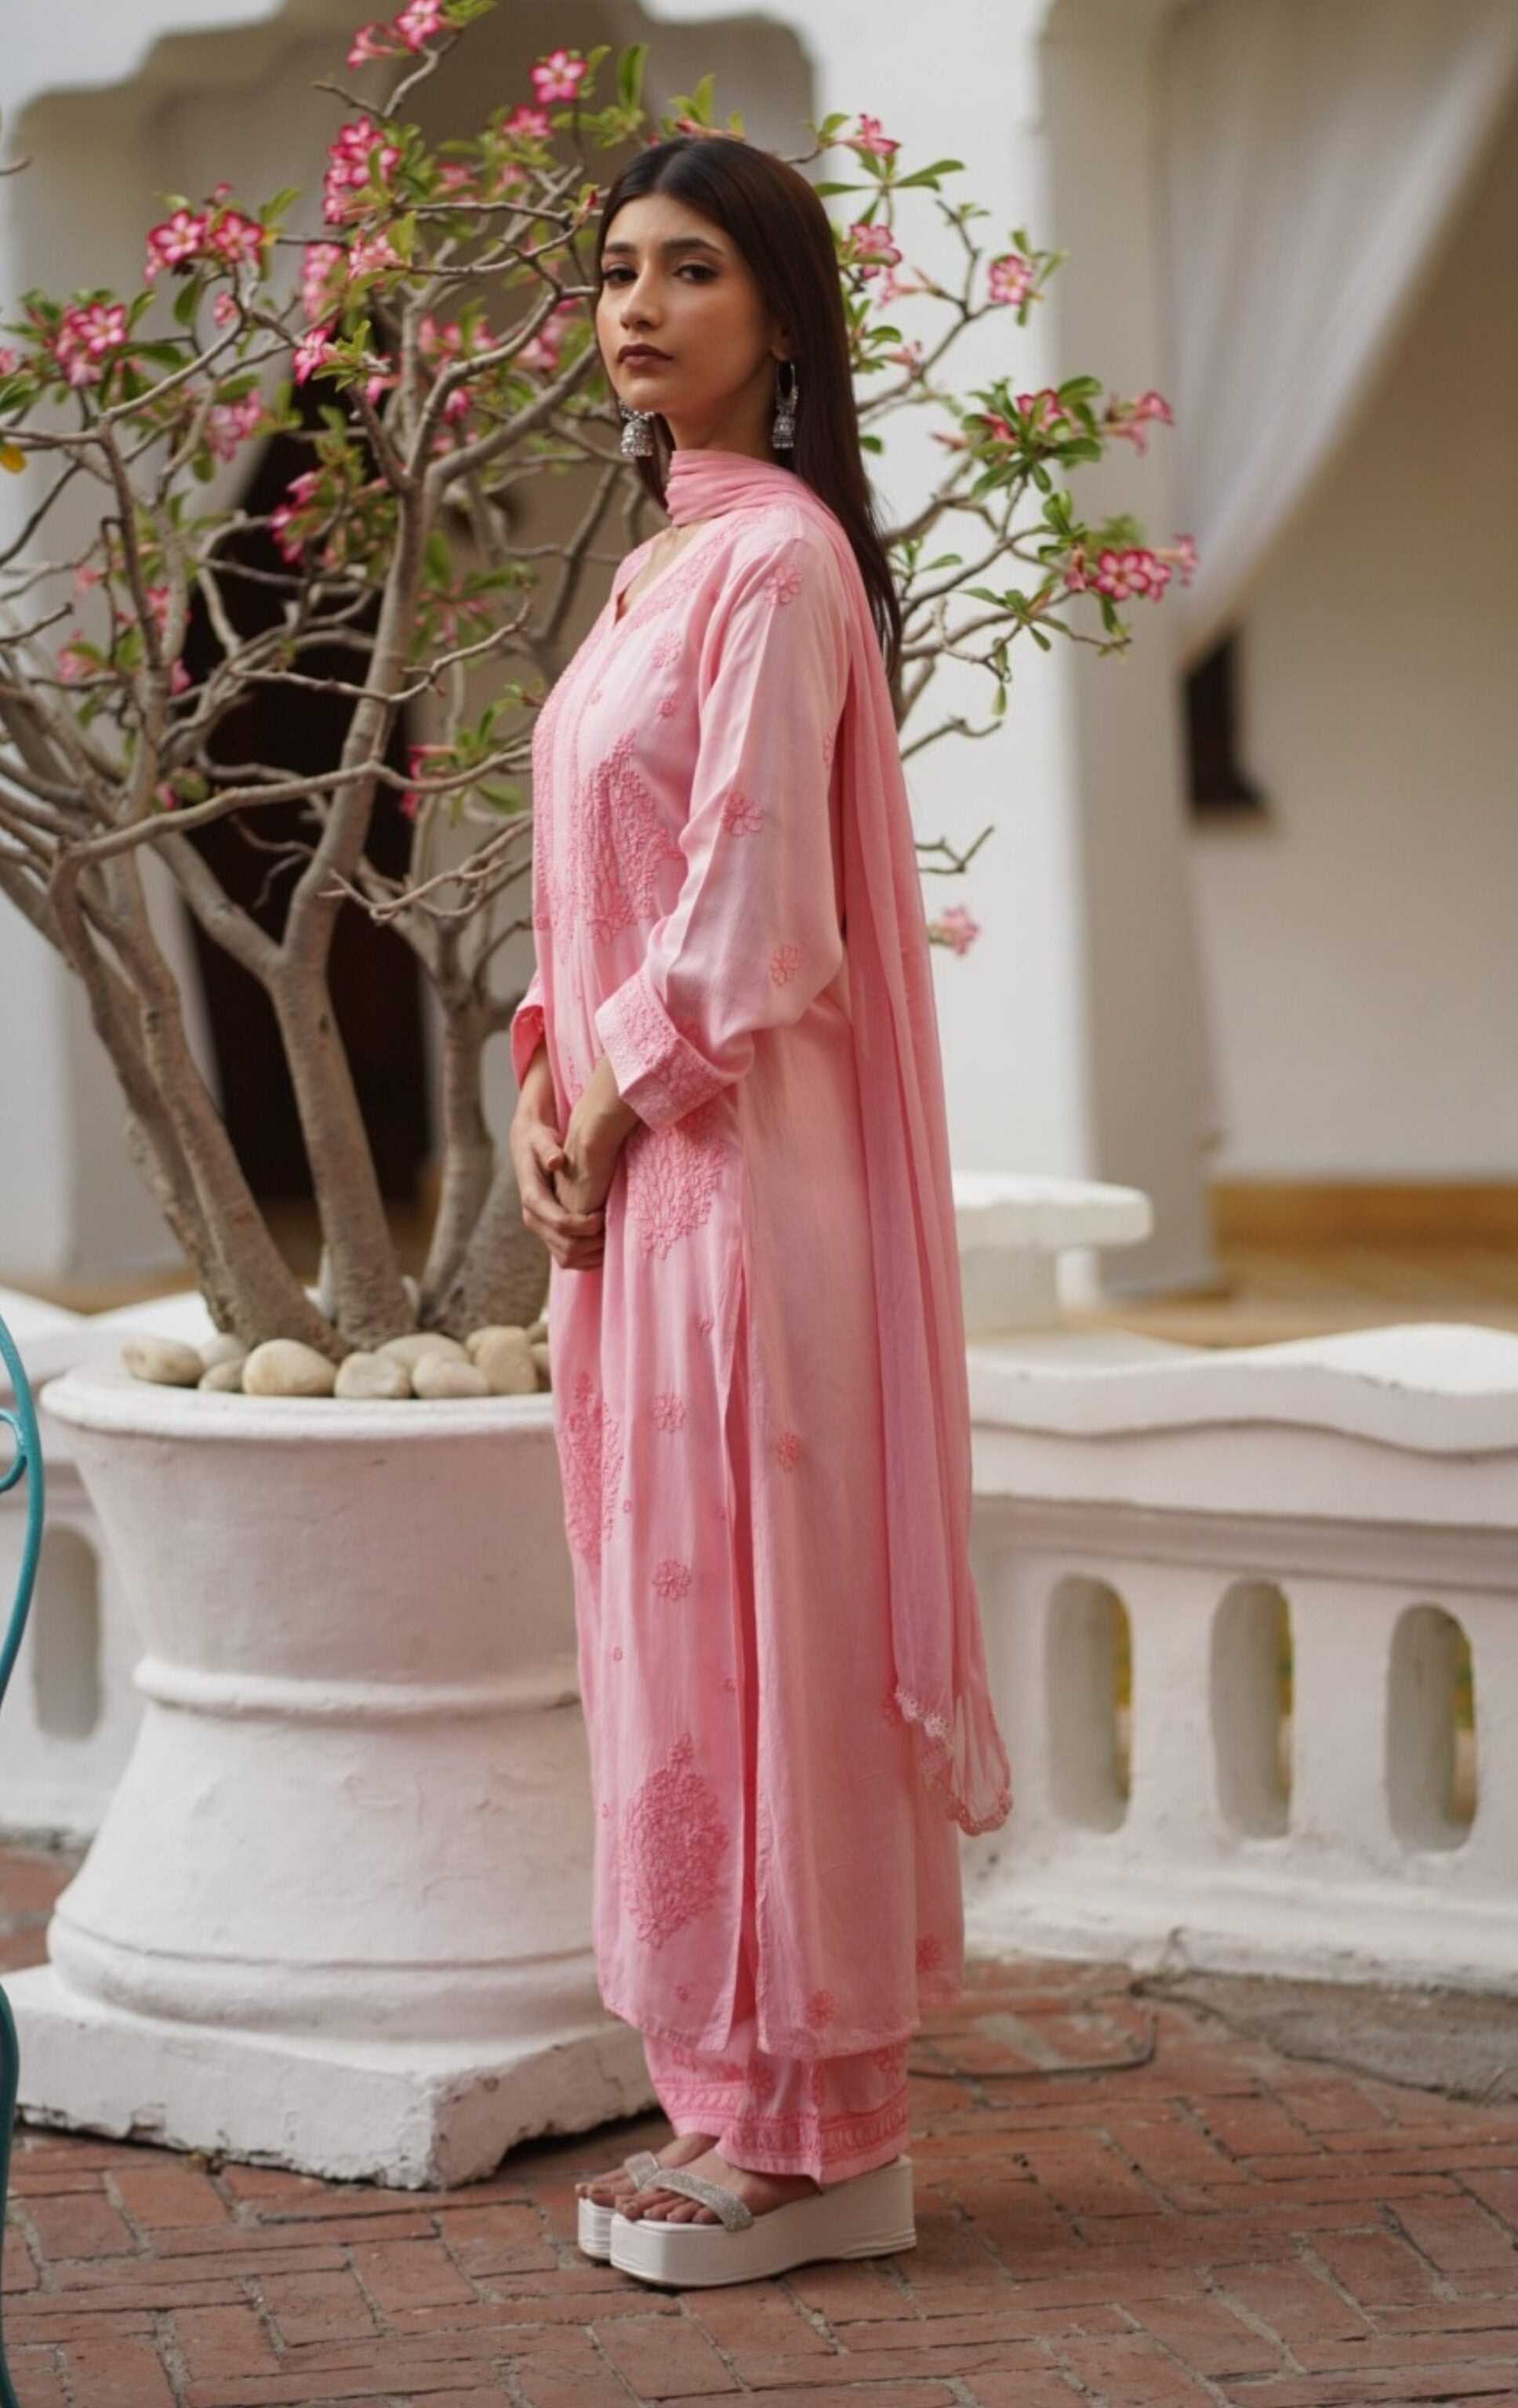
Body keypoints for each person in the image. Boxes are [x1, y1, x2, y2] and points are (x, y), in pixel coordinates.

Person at [507, 130, 1012, 2287]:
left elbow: (750, 919)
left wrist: (604, 1105)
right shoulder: (658, 560)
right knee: (673, 1639)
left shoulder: (778, 564)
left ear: (780, 319)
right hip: (640, 1182)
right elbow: (596, 893)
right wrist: (529, 1075)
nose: (635, 305)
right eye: (615, 266)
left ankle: (820, 2134)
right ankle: (732, 2102)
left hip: (731, 1192)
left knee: (759, 1633)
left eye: (688, 269)